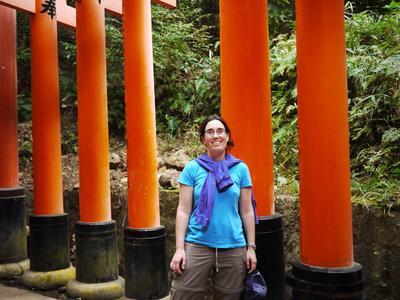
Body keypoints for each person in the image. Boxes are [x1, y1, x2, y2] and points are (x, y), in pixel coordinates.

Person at [170, 115, 257, 300]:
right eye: (210, 132)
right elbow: (183, 210)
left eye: (220, 131)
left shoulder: (241, 169)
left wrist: (251, 247)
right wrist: (179, 249)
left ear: (227, 136)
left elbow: (247, 210)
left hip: (233, 246)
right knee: (183, 294)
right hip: (197, 243)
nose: (215, 135)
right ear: (203, 139)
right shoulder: (192, 169)